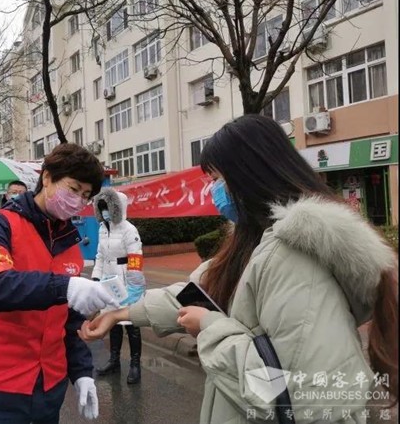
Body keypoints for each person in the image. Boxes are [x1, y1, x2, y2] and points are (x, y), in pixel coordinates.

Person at [80, 115, 398, 423]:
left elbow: (304, 397)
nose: (212, 191)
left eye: (216, 180)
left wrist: (209, 327)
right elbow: (195, 294)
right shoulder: (254, 241)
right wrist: (119, 313)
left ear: (250, 176)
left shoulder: (294, 260)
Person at [0, 143, 119, 424]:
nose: (78, 200)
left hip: (46, 391)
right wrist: (65, 287)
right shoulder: (0, 225)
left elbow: (69, 323)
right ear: (47, 178)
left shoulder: (70, 245)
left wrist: (81, 373)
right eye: (73, 188)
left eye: (86, 195)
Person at [91, 187, 145, 384]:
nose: (105, 212)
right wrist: (96, 278)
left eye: (107, 207)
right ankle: (114, 361)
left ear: (118, 207)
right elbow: (100, 255)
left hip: (126, 279)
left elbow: (136, 257)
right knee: (112, 321)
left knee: (131, 323)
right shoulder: (102, 228)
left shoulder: (129, 229)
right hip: (109, 280)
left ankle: (135, 364)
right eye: (102, 208)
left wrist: (134, 286)